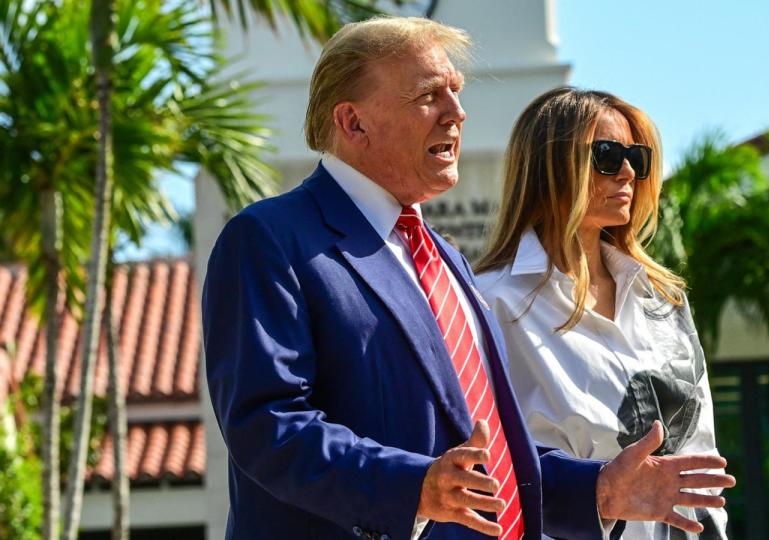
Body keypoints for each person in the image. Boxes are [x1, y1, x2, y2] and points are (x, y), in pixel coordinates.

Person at [202, 18, 735, 540]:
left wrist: (598, 490)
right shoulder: (269, 238)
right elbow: (267, 425)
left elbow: (494, 453)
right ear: (353, 122)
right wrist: (414, 487)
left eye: (456, 92)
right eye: (429, 95)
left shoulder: (444, 259)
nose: (457, 112)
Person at [474, 87, 731, 539]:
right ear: (550, 166)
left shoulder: (664, 302)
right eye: (607, 155)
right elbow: (482, 466)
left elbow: (700, 451)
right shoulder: (491, 302)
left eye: (638, 156)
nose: (629, 171)